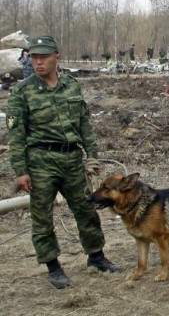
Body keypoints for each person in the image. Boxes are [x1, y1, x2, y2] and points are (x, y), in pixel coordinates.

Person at [6, 36, 121, 290]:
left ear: (57, 57)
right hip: (40, 163)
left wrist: (92, 155)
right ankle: (53, 266)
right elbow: (16, 136)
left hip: (72, 160)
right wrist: (20, 171)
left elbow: (84, 124)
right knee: (42, 218)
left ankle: (97, 257)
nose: (37, 62)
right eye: (34, 57)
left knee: (86, 209)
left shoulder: (71, 85)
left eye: (43, 57)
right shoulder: (22, 92)